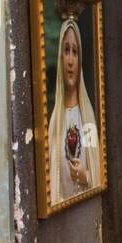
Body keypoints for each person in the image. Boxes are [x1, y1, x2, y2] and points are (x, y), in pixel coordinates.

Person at [47, 18, 100, 205]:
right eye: (66, 51)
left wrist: (85, 175)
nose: (70, 61)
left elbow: (96, 172)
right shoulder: (55, 121)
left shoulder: (86, 118)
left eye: (75, 52)